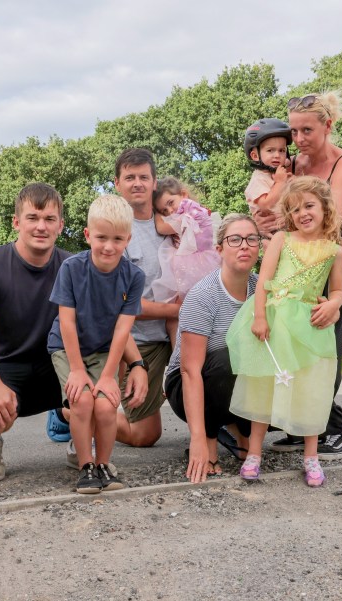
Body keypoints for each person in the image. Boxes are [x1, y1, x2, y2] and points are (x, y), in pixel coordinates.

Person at [227, 177, 342, 487]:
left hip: (310, 325)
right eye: (294, 209)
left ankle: (311, 457)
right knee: (264, 386)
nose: (302, 213)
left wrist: (334, 304)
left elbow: (336, 290)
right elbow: (264, 278)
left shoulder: (335, 251)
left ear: (324, 207)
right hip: (276, 322)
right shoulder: (282, 239)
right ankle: (254, 453)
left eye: (309, 206)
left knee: (310, 389)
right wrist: (259, 317)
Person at [0, 183, 71, 482]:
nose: (41, 226)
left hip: (50, 364)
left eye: (49, 219)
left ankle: (79, 433)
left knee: (91, 395)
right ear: (17, 222)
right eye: (33, 218)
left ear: (60, 224)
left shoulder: (73, 268)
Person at [283, 91, 342, 460]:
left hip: (331, 259)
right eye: (294, 131)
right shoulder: (296, 164)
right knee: (293, 341)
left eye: (307, 130)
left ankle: (340, 430)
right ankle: (306, 424)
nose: (299, 140)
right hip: (298, 258)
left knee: (323, 343)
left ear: (328, 126)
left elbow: (329, 223)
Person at [47, 195, 145, 494]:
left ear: (128, 238)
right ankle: (85, 465)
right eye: (101, 237)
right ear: (88, 235)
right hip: (67, 347)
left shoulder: (133, 276)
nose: (109, 246)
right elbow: (66, 322)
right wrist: (76, 369)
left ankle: (103, 464)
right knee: (82, 400)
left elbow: (122, 329)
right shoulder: (72, 269)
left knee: (105, 405)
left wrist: (108, 375)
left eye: (118, 239)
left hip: (104, 350)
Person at [164, 214, 260, 483]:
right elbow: (189, 370)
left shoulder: (261, 289)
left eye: (252, 239)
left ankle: (241, 430)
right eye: (235, 239)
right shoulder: (203, 296)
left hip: (233, 380)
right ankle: (209, 437)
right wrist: (197, 439)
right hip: (187, 383)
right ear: (219, 249)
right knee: (226, 356)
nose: (244, 245)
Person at [112, 148, 176, 447]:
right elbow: (125, 304)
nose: (137, 183)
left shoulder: (175, 218)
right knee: (145, 435)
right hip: (141, 342)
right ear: (117, 184)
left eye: (143, 177)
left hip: (187, 333)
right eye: (129, 177)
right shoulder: (115, 233)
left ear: (154, 182)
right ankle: (77, 413)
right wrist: (176, 310)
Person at [151, 177, 221, 347]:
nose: (169, 211)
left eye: (170, 203)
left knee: (180, 313)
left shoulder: (189, 215)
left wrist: (156, 214)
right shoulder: (196, 212)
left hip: (197, 268)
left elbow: (161, 228)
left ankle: (180, 352)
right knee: (181, 313)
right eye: (164, 210)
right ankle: (180, 353)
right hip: (188, 268)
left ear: (183, 194)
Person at [243, 118, 293, 245]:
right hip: (272, 234)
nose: (277, 155)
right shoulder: (258, 179)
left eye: (282, 150)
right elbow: (265, 205)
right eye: (270, 150)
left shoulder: (278, 174)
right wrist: (280, 183)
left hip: (288, 231)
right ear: (255, 155)